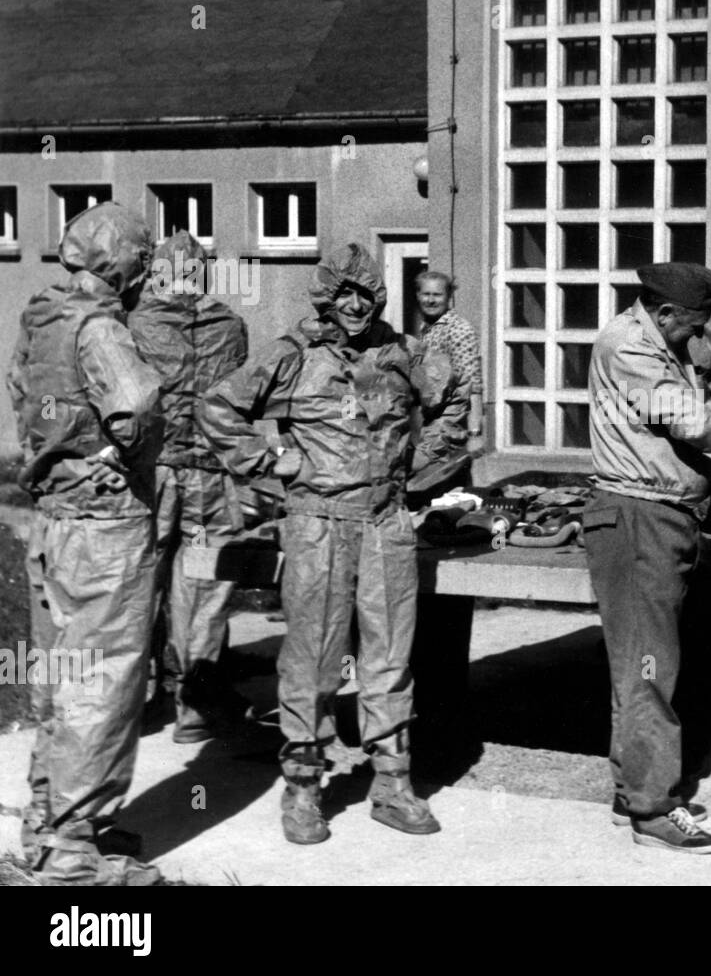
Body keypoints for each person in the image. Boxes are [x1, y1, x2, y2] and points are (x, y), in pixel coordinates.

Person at [199, 243, 449, 845]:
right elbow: (217, 407)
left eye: (366, 295)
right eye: (344, 296)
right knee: (312, 657)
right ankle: (304, 787)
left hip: (386, 523)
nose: (356, 307)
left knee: (389, 658)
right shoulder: (291, 355)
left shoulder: (405, 352)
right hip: (317, 525)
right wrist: (271, 461)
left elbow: (454, 404)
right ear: (326, 298)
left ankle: (392, 784)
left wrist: (421, 471)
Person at [584, 261, 711, 854]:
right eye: (695, 323)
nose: (701, 334)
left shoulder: (655, 341)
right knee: (650, 668)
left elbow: (693, 400)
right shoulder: (627, 345)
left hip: (659, 518)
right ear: (666, 311)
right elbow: (679, 413)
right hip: (638, 519)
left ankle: (636, 789)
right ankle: (654, 809)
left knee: (643, 666)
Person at [8, 202, 164, 885]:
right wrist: (126, 453)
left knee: (61, 678)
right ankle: (73, 855)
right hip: (105, 529)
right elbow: (137, 406)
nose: (146, 274)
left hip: (52, 521)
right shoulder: (101, 328)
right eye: (142, 262)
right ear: (123, 265)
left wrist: (63, 453)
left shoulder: (41, 317)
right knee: (102, 682)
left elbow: (25, 399)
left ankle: (49, 830)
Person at [129, 230, 250, 743]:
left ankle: (136, 702)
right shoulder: (230, 324)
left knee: (139, 583)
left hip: (151, 472)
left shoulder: (135, 323)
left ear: (158, 271)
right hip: (210, 470)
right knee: (203, 587)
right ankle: (195, 703)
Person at [414, 270, 484, 485]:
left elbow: (473, 384)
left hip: (450, 424)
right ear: (417, 295)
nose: (431, 300)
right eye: (426, 294)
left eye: (437, 295)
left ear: (448, 297)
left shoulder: (458, 330)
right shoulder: (426, 328)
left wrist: (475, 433)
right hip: (429, 422)